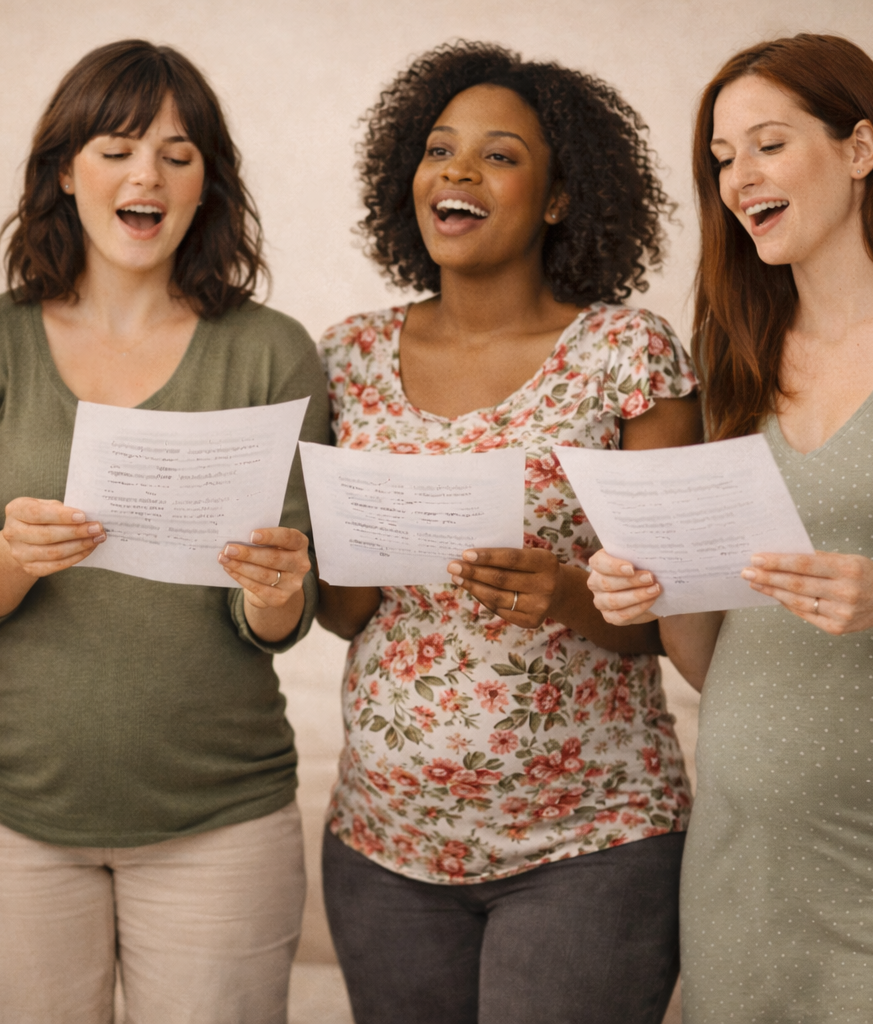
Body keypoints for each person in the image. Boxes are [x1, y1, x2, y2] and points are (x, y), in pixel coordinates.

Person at [588, 33, 873, 1023]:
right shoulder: (734, 356)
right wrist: (657, 587)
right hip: (749, 870)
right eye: (721, 159)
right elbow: (723, 656)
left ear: (859, 148)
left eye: (765, 144)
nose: (738, 178)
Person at [0, 39, 327, 1024]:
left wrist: (277, 592)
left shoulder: (272, 353)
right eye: (116, 148)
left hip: (222, 816)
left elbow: (284, 616)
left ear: (205, 188)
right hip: (4, 810)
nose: (146, 173)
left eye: (177, 155)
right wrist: (8, 557)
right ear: (67, 173)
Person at [314, 41, 700, 1024]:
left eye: (498, 155)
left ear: (561, 196)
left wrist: (570, 596)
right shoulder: (349, 354)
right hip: (384, 846)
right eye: (439, 149)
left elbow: (683, 617)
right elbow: (347, 610)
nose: (456, 171)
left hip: (591, 845)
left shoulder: (628, 352)